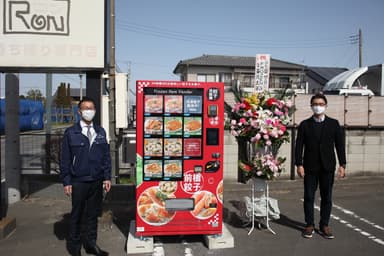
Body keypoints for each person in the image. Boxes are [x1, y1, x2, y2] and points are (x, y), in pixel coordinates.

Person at [60, 97, 111, 256]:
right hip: (78, 181)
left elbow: (106, 157)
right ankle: (74, 248)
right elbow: (65, 159)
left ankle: (91, 244)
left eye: (92, 108)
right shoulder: (71, 132)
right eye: (86, 108)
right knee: (77, 214)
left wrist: (107, 177)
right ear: (80, 111)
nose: (89, 111)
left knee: (92, 214)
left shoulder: (100, 131)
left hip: (96, 180)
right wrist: (67, 181)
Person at [295, 93, 346, 239]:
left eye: (321, 104)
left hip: (328, 166)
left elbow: (340, 146)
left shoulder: (333, 124)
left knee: (327, 197)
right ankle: (309, 225)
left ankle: (324, 225)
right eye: (315, 104)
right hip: (310, 167)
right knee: (309, 197)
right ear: (311, 106)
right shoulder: (305, 125)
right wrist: (299, 164)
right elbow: (299, 146)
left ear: (325, 106)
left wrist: (343, 164)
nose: (318, 106)